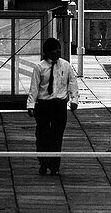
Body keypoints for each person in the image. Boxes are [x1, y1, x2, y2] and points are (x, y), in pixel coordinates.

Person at [27, 36, 79, 176]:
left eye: (59, 50)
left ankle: (55, 165)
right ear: (47, 52)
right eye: (54, 50)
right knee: (43, 135)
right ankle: (43, 162)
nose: (57, 53)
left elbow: (72, 83)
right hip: (44, 104)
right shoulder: (39, 68)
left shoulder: (65, 66)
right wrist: (31, 105)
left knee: (57, 135)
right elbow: (34, 88)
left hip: (59, 104)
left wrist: (74, 100)